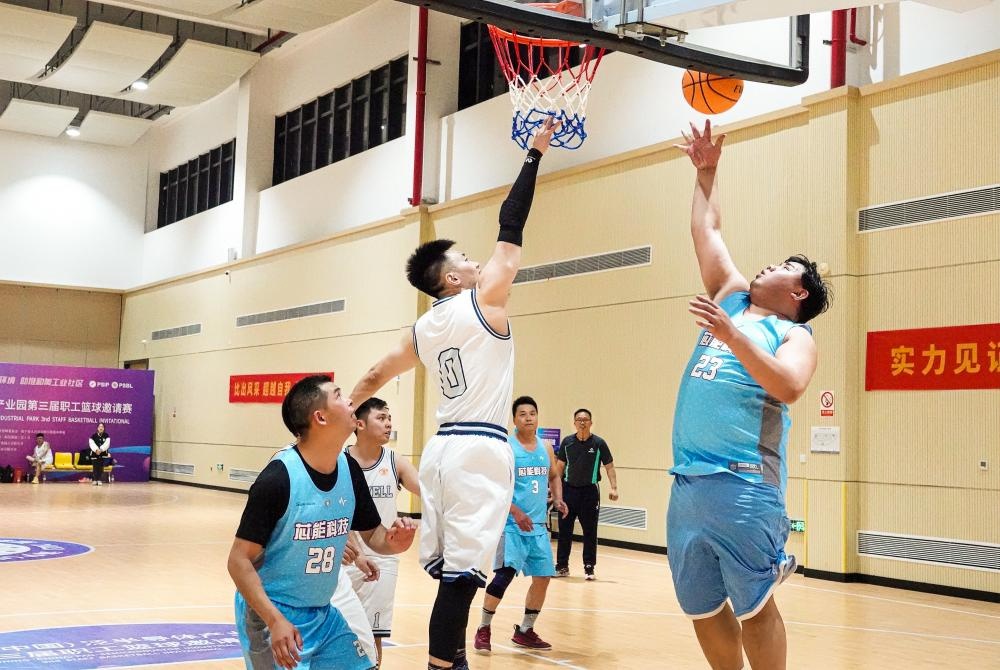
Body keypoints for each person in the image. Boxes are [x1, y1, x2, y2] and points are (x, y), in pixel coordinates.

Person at [349, 117, 560, 670]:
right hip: (478, 450)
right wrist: (535, 154)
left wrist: (340, 420)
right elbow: (511, 222)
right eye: (464, 259)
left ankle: (451, 660)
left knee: (452, 574)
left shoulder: (421, 329)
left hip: (440, 451)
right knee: (462, 579)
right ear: (452, 279)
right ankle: (443, 664)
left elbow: (372, 376)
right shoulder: (485, 299)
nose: (475, 262)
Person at [669, 120, 830, 670]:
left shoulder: (794, 334)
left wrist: (732, 336)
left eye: (784, 267)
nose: (769, 264)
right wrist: (706, 173)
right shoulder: (732, 297)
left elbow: (790, 386)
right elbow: (707, 230)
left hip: (744, 483)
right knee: (702, 609)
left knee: (754, 606)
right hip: (688, 481)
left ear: (798, 291)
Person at [227, 375, 416, 670]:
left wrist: (394, 542)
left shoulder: (349, 469)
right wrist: (274, 621)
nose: (350, 401)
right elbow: (238, 561)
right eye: (339, 395)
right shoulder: (277, 479)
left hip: (323, 613)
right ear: (320, 417)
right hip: (273, 615)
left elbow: (375, 536)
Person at [474, 396, 567, 654]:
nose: (528, 418)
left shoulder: (545, 447)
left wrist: (558, 498)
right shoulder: (507, 447)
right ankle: (483, 627)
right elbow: (496, 488)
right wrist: (515, 512)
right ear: (514, 419)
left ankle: (525, 630)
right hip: (511, 525)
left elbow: (554, 475)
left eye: (532, 413)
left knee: (543, 577)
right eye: (523, 414)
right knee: (504, 576)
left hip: (538, 527)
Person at [343, 397, 421, 667]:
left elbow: (427, 491)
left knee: (373, 632)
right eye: (381, 418)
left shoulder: (394, 461)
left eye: (389, 419)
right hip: (346, 556)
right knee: (340, 627)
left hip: (383, 556)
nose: (388, 424)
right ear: (360, 424)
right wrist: (355, 552)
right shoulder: (341, 462)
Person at [553, 409, 618, 580]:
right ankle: (562, 566)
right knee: (565, 530)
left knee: (590, 531)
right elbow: (559, 468)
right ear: (574, 423)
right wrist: (555, 491)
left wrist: (614, 487)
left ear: (591, 422)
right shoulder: (567, 442)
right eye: (579, 419)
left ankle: (589, 567)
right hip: (568, 491)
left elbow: (610, 467)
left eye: (585, 419)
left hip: (589, 492)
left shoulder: (599, 443)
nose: (582, 422)